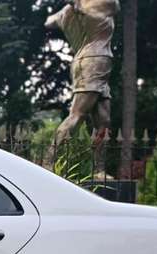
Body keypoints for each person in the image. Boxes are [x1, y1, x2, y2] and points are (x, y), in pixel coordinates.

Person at [46, 0, 121, 147]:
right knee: (77, 114)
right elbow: (115, 5)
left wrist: (73, 8)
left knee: (104, 121)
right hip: (94, 61)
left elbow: (49, 22)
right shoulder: (99, 5)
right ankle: (49, 160)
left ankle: (98, 169)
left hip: (92, 61)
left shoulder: (73, 10)